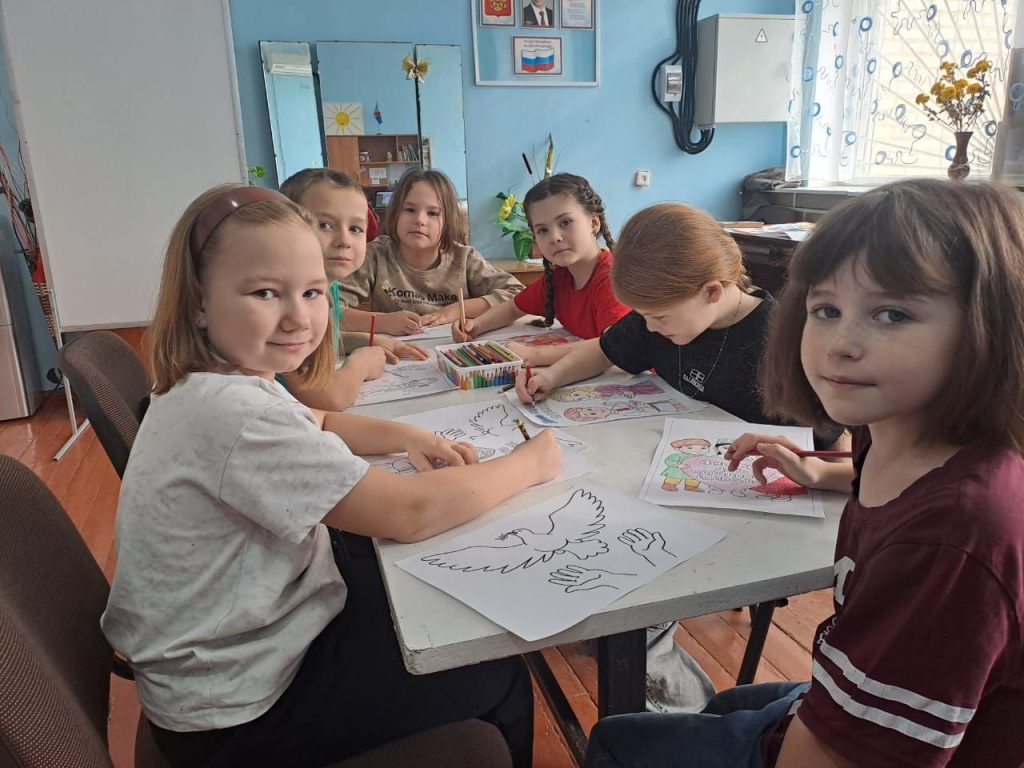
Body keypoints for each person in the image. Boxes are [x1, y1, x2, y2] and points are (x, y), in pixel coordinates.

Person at [100, 184, 561, 768]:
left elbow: (318, 418)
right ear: (198, 303)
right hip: (237, 709)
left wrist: (409, 436)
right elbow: (410, 513)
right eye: (265, 293)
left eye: (314, 292)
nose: (300, 317)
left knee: (421, 593)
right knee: (493, 670)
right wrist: (528, 464)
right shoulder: (234, 413)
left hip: (236, 655)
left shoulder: (219, 380)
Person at [584, 178, 1024, 768]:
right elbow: (875, 478)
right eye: (826, 309)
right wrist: (817, 472)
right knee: (723, 705)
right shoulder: (892, 428)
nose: (840, 343)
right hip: (840, 685)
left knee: (617, 742)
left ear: (990, 327)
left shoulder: (953, 538)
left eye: (893, 314)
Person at [515, 201, 844, 715]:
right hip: (672, 483)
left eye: (659, 317)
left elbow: (833, 450)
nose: (649, 328)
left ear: (713, 291)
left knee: (626, 600)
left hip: (755, 511)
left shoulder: (783, 342)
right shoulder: (661, 315)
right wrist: (552, 376)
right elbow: (603, 349)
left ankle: (692, 722)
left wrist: (812, 465)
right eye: (644, 316)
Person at [278, 168, 428, 410]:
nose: (344, 241)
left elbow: (325, 341)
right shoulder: (290, 302)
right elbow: (329, 398)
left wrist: (376, 341)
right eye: (325, 225)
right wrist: (361, 363)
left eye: (356, 229)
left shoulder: (329, 287)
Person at [452, 173, 630, 367]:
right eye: (543, 230)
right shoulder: (559, 276)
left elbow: (615, 345)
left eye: (565, 222)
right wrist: (476, 325)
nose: (554, 237)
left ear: (594, 223)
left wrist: (536, 355)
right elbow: (513, 308)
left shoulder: (611, 278)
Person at [339, 169, 524, 336]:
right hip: (396, 353)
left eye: (433, 213)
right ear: (395, 213)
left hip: (454, 351)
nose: (420, 220)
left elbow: (518, 295)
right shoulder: (376, 255)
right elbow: (330, 309)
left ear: (448, 221)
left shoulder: (464, 259)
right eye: (410, 210)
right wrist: (382, 322)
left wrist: (455, 310)